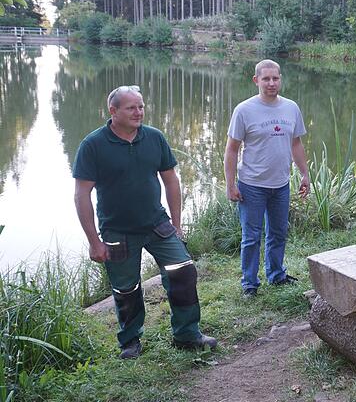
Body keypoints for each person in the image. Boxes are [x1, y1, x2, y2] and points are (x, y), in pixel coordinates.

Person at [73, 85, 217, 360]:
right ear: (113, 111)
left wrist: (177, 223)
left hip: (157, 225)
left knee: (183, 272)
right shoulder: (93, 144)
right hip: (117, 231)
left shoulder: (154, 137)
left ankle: (187, 334)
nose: (138, 112)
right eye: (131, 107)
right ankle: (130, 341)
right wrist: (94, 241)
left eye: (140, 106)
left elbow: (171, 180)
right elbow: (82, 195)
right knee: (126, 288)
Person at [224, 59, 310, 298]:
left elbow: (296, 143)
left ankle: (276, 275)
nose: (271, 83)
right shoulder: (244, 110)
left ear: (280, 79)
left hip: (280, 185)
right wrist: (230, 185)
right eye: (266, 79)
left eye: (275, 78)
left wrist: (305, 174)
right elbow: (231, 149)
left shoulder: (291, 108)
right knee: (251, 238)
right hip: (252, 185)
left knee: (278, 233)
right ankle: (250, 284)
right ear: (256, 80)